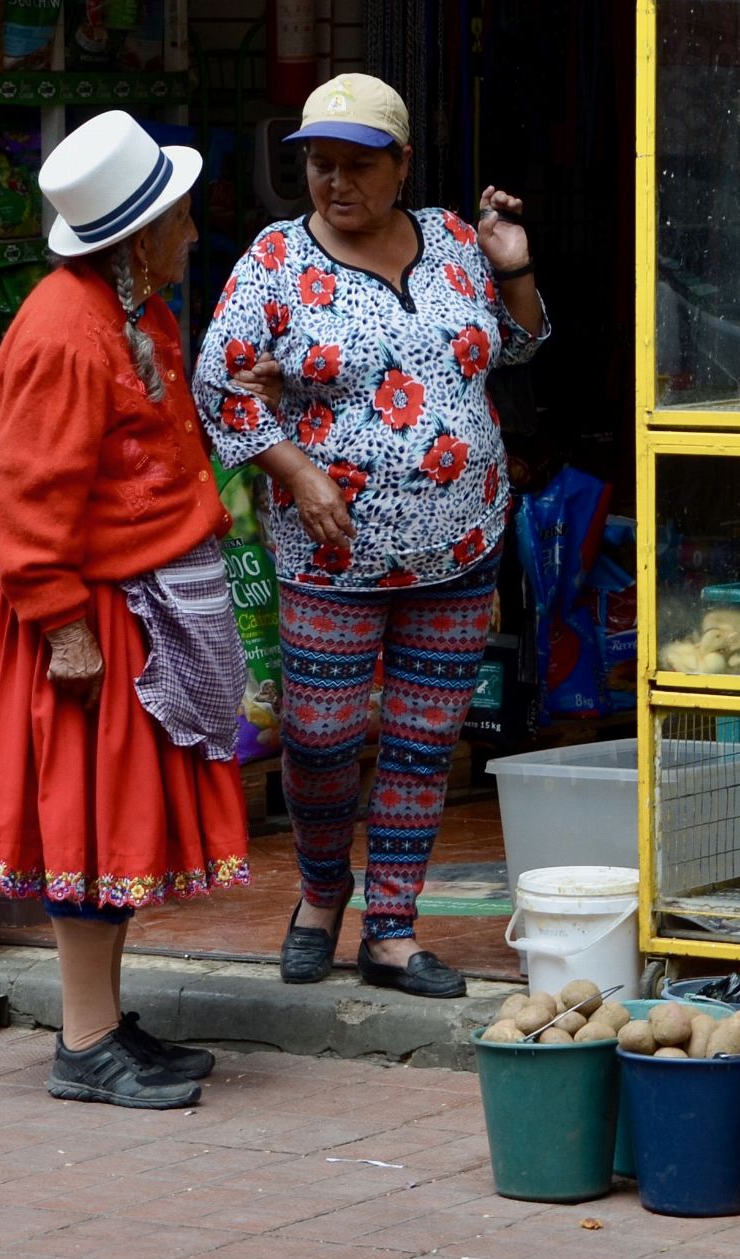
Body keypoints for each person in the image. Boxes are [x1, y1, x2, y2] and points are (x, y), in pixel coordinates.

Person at [192, 73, 549, 999]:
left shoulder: (456, 245)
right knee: (318, 737)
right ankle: (319, 894)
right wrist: (299, 475)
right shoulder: (275, 260)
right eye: (319, 166)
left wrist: (512, 265)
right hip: (331, 554)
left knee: (426, 743)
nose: (335, 184)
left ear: (401, 166)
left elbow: (520, 345)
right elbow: (222, 384)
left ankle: (391, 928)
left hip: (459, 550)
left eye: (356, 165)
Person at [0, 112, 259, 1110]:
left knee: (113, 829)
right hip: (87, 621)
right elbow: (31, 501)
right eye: (179, 218)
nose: (194, 235)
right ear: (135, 237)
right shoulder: (68, 334)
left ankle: (104, 1026)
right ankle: (84, 1044)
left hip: (131, 608)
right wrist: (67, 629)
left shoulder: (130, 313)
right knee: (88, 829)